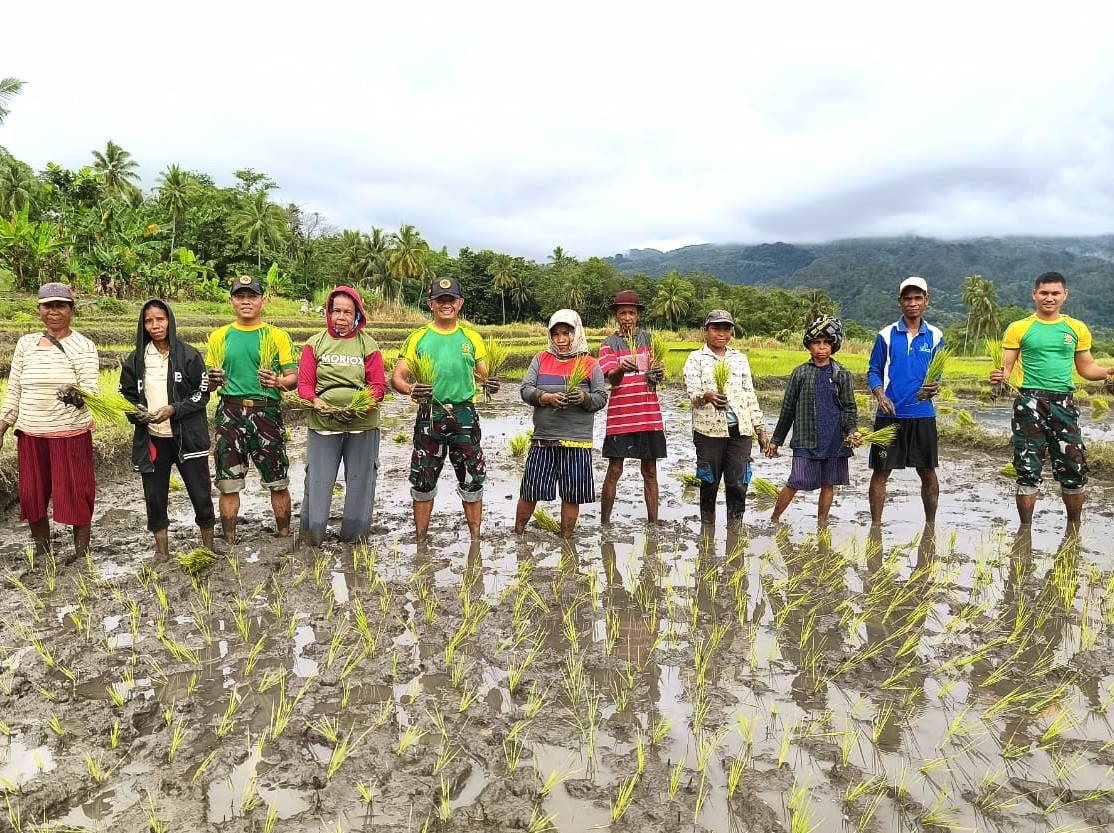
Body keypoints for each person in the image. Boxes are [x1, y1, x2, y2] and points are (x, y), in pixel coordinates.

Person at [990, 271, 1114, 530]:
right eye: (1044, 293)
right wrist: (999, 377)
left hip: (1064, 404)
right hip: (1030, 402)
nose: (1049, 298)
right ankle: (1025, 530)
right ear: (1034, 294)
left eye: (1055, 293)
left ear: (1065, 295)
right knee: (1027, 467)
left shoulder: (1076, 328)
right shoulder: (1019, 328)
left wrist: (1106, 373)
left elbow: (1086, 366)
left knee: (1074, 467)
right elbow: (1007, 368)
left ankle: (1074, 528)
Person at [391, 277, 499, 541]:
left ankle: (475, 538)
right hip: (430, 414)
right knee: (423, 477)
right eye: (440, 300)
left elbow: (486, 376)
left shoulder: (471, 338)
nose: (446, 304)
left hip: (464, 414)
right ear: (431, 304)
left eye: (451, 300)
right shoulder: (419, 338)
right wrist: (410, 389)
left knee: (472, 476)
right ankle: (421, 539)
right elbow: (397, 377)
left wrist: (492, 384)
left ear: (460, 303)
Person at [0, 283, 99, 562]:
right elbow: (15, 388)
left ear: (71, 310)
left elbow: (90, 391)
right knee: (32, 494)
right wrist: (4, 423)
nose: (54, 312)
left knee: (77, 492)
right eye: (48, 306)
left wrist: (77, 398)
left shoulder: (83, 346)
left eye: (61, 306)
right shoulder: (26, 344)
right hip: (31, 432)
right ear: (39, 309)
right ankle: (43, 551)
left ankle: (82, 554)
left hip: (70, 433)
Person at [119, 299, 217, 559]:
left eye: (160, 319)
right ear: (143, 325)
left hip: (188, 438)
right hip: (153, 440)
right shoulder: (137, 359)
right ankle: (162, 553)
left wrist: (174, 409)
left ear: (170, 320)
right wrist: (137, 413)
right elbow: (126, 396)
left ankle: (208, 547)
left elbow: (202, 393)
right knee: (155, 498)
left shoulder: (189, 355)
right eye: (149, 321)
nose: (155, 325)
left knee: (201, 494)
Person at [205, 275, 298, 542]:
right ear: (231, 300)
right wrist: (212, 381)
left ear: (263, 300)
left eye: (252, 296)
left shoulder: (277, 336)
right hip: (230, 413)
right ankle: (230, 537)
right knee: (227, 482)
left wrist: (278, 381)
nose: (246, 301)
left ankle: (284, 535)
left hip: (266, 412)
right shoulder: (219, 337)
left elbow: (293, 377)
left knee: (277, 479)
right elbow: (211, 382)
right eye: (240, 296)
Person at [297, 286, 386, 546]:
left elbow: (378, 386)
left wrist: (360, 408)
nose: (341, 317)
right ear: (329, 312)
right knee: (318, 480)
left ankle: (354, 538)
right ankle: (312, 536)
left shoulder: (368, 345)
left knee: (361, 481)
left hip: (362, 424)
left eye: (348, 312)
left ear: (357, 314)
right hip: (324, 423)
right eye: (336, 311)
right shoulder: (315, 343)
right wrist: (316, 401)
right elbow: (304, 384)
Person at [514, 309, 608, 537]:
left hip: (577, 441)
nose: (561, 339)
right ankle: (518, 533)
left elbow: (601, 397)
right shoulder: (541, 359)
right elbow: (525, 390)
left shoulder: (590, 364)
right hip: (544, 437)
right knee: (530, 490)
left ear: (576, 334)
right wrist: (544, 398)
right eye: (555, 334)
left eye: (566, 333)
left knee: (572, 493)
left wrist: (584, 398)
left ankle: (566, 538)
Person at [766, 317, 859, 525]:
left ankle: (822, 523)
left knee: (828, 483)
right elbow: (788, 409)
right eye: (817, 343)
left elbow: (849, 407)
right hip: (806, 438)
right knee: (795, 481)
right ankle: (774, 520)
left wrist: (852, 430)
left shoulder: (842, 374)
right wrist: (776, 440)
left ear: (833, 345)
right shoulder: (800, 373)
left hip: (835, 439)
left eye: (826, 343)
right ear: (809, 345)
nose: (821, 348)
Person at [866, 276, 943, 524]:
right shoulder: (886, 335)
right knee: (881, 473)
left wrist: (934, 387)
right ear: (899, 302)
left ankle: (930, 526)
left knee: (928, 473)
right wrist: (880, 394)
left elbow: (937, 374)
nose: (912, 303)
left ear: (926, 301)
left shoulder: (935, 335)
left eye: (917, 298)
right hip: (889, 415)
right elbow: (874, 370)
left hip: (922, 415)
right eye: (907, 298)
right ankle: (876, 526)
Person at [682, 309, 768, 526]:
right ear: (706, 331)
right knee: (709, 482)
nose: (721, 333)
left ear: (732, 332)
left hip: (740, 431)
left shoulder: (739, 359)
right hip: (708, 432)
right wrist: (706, 396)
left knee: (738, 483)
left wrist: (761, 431)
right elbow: (692, 394)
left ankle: (735, 528)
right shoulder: (696, 359)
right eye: (716, 328)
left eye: (726, 328)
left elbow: (750, 395)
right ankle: (707, 529)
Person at [597, 291, 667, 524]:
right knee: (615, 470)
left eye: (631, 313)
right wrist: (620, 369)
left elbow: (656, 378)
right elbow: (612, 380)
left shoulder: (650, 341)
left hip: (648, 416)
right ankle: (604, 522)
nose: (627, 317)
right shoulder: (608, 345)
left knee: (650, 472)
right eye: (622, 313)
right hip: (621, 417)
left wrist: (658, 373)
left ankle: (653, 524)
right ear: (616, 316)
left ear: (638, 315)